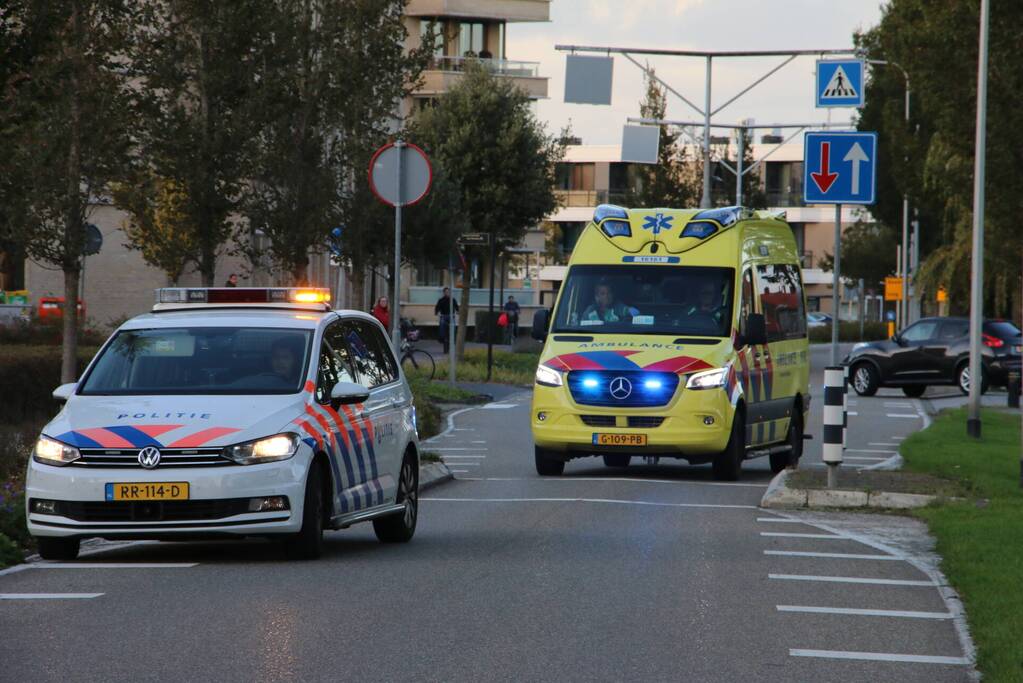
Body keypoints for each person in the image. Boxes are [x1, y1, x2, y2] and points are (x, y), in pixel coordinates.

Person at [434, 287, 459, 354]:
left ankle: (454, 339)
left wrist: (457, 311)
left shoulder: (453, 299)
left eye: (448, 292)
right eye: (446, 292)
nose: (447, 293)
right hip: (444, 316)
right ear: (444, 292)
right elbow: (437, 308)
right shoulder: (441, 300)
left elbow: (457, 307)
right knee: (442, 326)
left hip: (451, 316)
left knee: (453, 328)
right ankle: (441, 338)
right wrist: (437, 313)